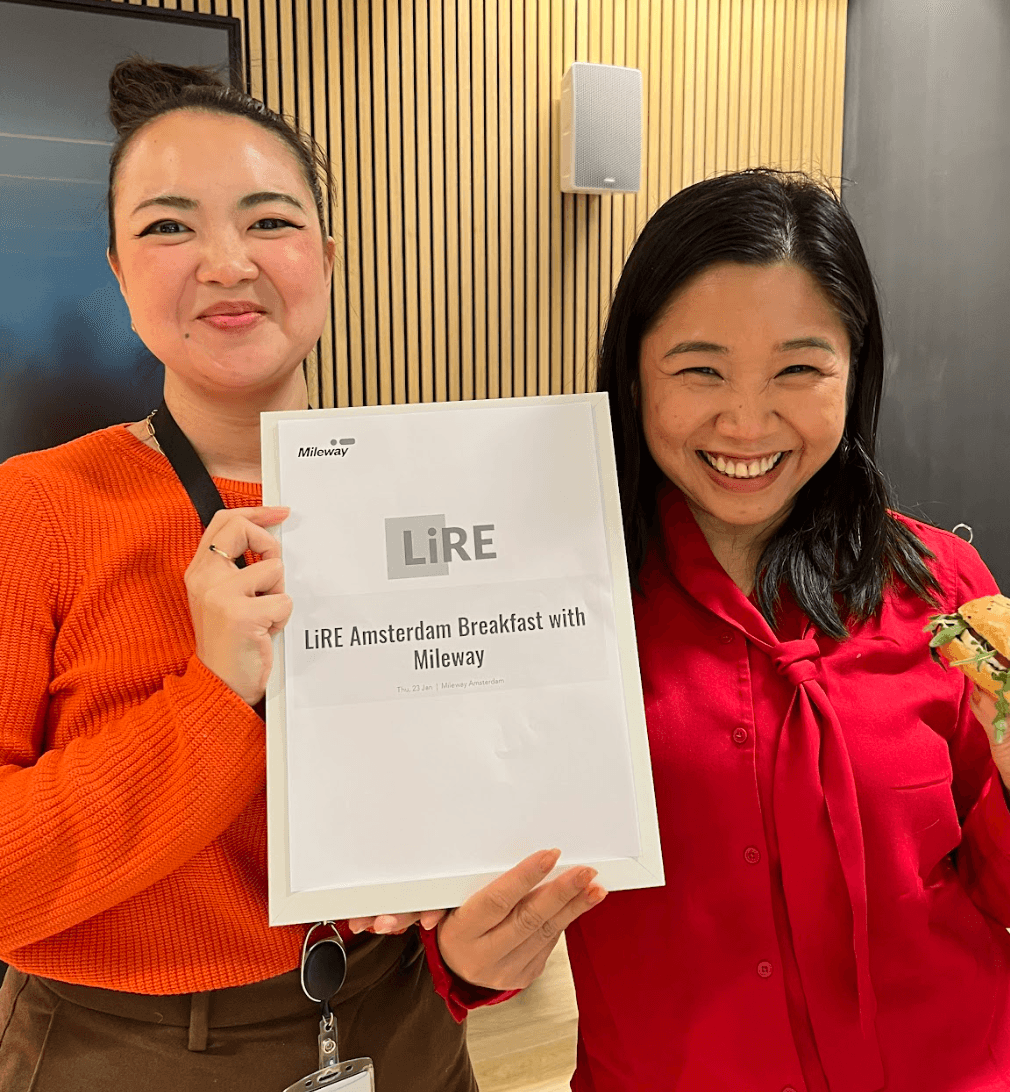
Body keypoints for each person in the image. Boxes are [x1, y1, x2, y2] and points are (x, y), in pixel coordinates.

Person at [0, 58, 603, 1092]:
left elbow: (486, 789)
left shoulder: (441, 488)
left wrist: (474, 959)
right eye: (167, 226)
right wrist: (211, 696)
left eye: (269, 221)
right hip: (123, 1051)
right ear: (114, 270)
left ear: (327, 253)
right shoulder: (38, 507)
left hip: (397, 1024)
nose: (226, 261)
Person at [563, 168, 1010, 1091]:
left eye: (799, 369)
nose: (746, 420)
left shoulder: (942, 590)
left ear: (854, 371)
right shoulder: (560, 607)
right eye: (699, 369)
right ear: (632, 373)